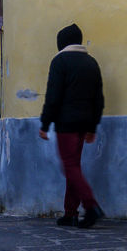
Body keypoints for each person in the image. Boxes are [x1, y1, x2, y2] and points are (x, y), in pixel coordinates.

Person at [39, 23, 106, 228]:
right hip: (85, 124)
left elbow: (53, 95)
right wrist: (93, 127)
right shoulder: (91, 62)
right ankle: (70, 213)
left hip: (66, 123)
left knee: (69, 166)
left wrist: (45, 123)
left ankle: (91, 206)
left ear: (62, 42)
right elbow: (98, 99)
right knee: (73, 167)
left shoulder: (60, 61)